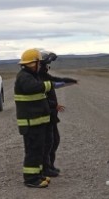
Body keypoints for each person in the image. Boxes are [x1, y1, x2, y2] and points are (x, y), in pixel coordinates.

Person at [14, 48, 59, 188]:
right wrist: (50, 84)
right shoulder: (24, 77)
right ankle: (31, 179)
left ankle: (38, 175)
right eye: (39, 63)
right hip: (31, 124)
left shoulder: (30, 75)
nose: (40, 65)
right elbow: (33, 88)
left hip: (37, 123)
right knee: (33, 152)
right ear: (33, 63)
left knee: (39, 151)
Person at [38, 52, 78, 177]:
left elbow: (57, 80)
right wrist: (53, 105)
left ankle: (49, 166)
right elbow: (41, 98)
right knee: (49, 142)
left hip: (51, 114)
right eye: (46, 65)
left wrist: (72, 81)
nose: (48, 68)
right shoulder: (38, 78)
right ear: (41, 65)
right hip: (46, 114)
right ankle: (45, 168)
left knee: (54, 140)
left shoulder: (44, 76)